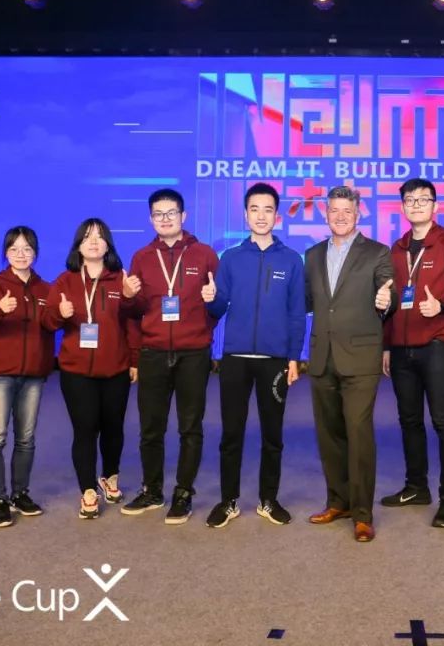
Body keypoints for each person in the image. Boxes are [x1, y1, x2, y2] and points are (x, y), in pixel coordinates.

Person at [204, 182, 306, 528]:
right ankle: (228, 501)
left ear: (277, 216)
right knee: (231, 434)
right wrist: (211, 299)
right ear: (245, 214)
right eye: (254, 209)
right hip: (235, 359)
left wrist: (293, 357)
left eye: (267, 210)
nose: (261, 216)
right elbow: (218, 308)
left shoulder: (291, 260)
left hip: (274, 362)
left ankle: (268, 499)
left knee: (272, 435)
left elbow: (296, 313)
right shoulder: (231, 258)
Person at [119, 188, 219, 525]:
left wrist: (208, 312)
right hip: (154, 352)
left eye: (171, 212)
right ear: (151, 219)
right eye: (158, 214)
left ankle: (184, 492)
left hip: (193, 353)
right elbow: (134, 311)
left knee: (190, 427)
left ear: (183, 216)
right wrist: (128, 296)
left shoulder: (204, 254)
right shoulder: (142, 257)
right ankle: (152, 490)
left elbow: (218, 305)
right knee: (151, 427)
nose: (165, 219)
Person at [304, 186, 394, 543]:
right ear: (325, 214)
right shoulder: (312, 255)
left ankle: (362, 514)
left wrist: (386, 300)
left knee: (358, 433)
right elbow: (309, 302)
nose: (340, 216)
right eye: (334, 210)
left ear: (358, 214)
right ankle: (337, 502)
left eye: (347, 211)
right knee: (329, 434)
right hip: (322, 355)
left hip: (360, 357)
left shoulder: (377, 252)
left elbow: (388, 295)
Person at [380, 178, 444, 528]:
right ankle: (416, 487)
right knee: (409, 421)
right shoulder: (397, 247)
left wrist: (442, 305)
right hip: (401, 348)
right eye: (410, 199)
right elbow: (389, 300)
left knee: (443, 421)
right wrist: (387, 345)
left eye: (423, 199)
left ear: (436, 206)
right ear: (402, 206)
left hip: (435, 344)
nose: (416, 204)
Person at [43, 218, 139, 519]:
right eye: (87, 237)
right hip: (76, 370)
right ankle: (87, 489)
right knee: (85, 429)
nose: (94, 242)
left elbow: (132, 322)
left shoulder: (120, 279)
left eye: (99, 236)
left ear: (108, 244)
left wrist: (134, 360)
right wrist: (60, 313)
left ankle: (110, 476)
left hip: (116, 368)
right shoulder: (65, 281)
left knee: (113, 428)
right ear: (78, 245)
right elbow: (48, 322)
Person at [0, 226, 56, 528]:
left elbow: (52, 325)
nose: (21, 254)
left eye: (27, 249)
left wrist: (61, 313)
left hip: (33, 375)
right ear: (6, 253)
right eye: (14, 249)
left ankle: (20, 494)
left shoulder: (46, 289)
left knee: (26, 439)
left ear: (36, 253)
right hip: (0, 375)